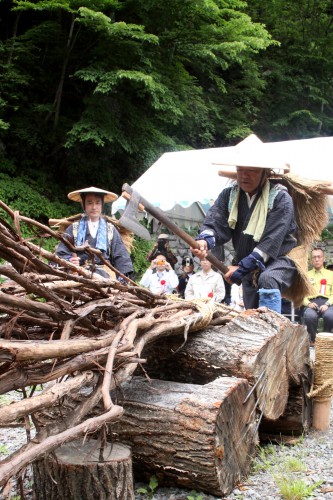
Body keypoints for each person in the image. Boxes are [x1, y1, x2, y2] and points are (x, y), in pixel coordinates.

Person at [193, 135, 297, 313]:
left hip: (279, 260)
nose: (244, 176)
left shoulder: (280, 198)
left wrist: (241, 268)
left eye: (252, 170)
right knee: (252, 312)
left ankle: (273, 329)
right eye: (241, 169)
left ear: (265, 172)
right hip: (246, 263)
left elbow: (271, 242)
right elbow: (215, 223)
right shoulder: (229, 195)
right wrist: (204, 242)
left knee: (268, 278)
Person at [56, 186, 134, 279]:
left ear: (102, 205)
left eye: (97, 203)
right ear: (83, 204)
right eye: (89, 203)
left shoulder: (110, 230)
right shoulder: (73, 229)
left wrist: (122, 279)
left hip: (105, 276)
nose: (94, 207)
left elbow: (121, 258)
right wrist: (70, 260)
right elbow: (61, 253)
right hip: (79, 273)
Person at [302, 247, 333, 345]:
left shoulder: (331, 274)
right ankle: (313, 339)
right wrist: (308, 303)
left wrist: (327, 304)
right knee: (309, 316)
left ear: (323, 258)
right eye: (314, 257)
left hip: (327, 303)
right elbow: (301, 294)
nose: (317, 259)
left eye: (319, 257)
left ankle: (325, 338)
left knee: (330, 316)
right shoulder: (306, 275)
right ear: (311, 260)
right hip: (312, 303)